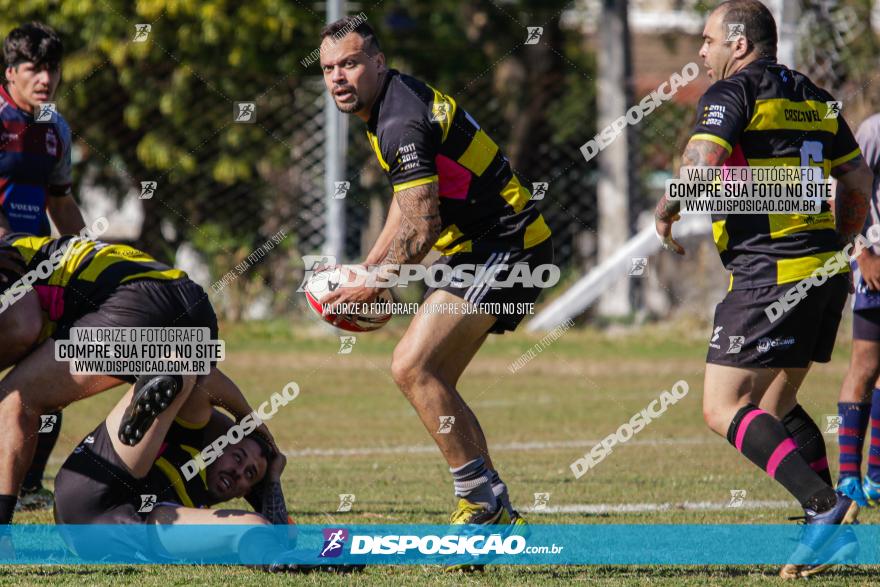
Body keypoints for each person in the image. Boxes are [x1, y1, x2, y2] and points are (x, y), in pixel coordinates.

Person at [652, 1, 872, 578]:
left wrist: (668, 206)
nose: (701, 52)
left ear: (740, 43)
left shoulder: (731, 94)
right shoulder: (814, 95)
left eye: (708, 41)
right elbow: (856, 176)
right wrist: (844, 242)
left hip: (769, 274)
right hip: (823, 271)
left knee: (722, 406)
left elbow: (701, 167)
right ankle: (834, 539)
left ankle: (824, 507)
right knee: (779, 405)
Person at [317, 17, 553, 532]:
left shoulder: (399, 120)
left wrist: (375, 284)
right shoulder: (390, 104)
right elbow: (408, 206)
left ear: (377, 62)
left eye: (351, 64)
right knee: (429, 376)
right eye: (329, 68)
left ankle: (481, 504)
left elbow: (422, 224)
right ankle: (491, 503)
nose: (338, 77)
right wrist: (369, 268)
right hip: (479, 249)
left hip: (507, 246)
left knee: (411, 366)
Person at [0, 232, 245, 528]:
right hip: (195, 308)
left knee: (17, 400)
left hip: (132, 308)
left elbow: (22, 326)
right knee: (186, 406)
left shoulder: (10, 255)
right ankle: (260, 462)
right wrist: (253, 423)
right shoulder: (40, 246)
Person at [53, 368, 297, 567]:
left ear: (245, 492)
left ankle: (274, 562)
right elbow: (209, 380)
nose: (238, 471)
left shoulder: (201, 514)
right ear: (221, 446)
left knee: (252, 526)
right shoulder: (187, 442)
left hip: (121, 532)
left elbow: (285, 536)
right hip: (94, 484)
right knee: (185, 364)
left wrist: (272, 479)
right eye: (238, 457)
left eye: (249, 474)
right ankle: (143, 401)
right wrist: (252, 422)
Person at [1, 22, 89, 509]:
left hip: (32, 264)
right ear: (11, 71)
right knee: (24, 327)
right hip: (7, 260)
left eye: (52, 68)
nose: (45, 79)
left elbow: (61, 202)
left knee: (61, 356)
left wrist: (86, 252)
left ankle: (29, 481)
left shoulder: (54, 126)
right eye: (34, 68)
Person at [836, 113, 880, 508]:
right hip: (876, 268)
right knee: (864, 368)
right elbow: (852, 192)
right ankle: (848, 479)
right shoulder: (873, 131)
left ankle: (876, 479)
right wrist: (863, 254)